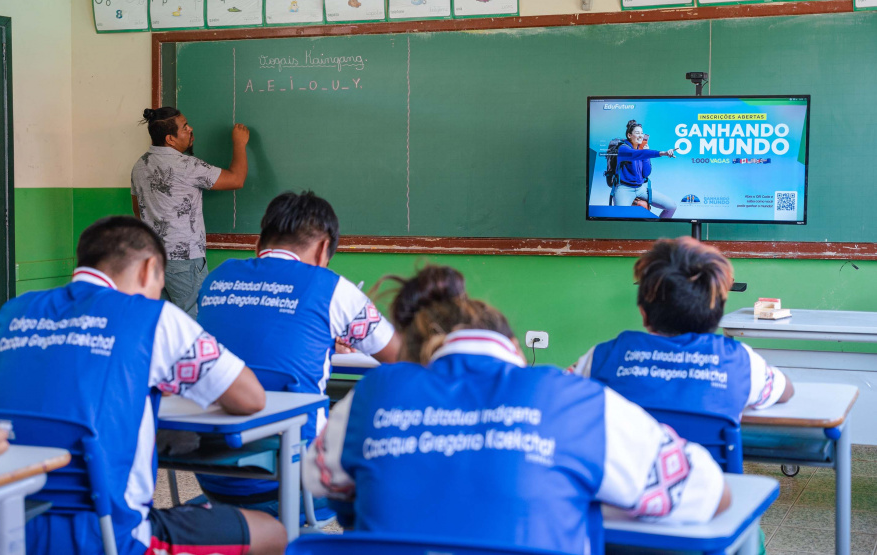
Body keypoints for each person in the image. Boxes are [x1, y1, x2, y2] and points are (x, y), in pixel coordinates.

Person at [303, 267, 730, 554]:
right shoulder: (571, 399)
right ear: (512, 346)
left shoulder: (375, 392)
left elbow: (316, 477)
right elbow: (708, 493)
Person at [0, 216, 285, 555]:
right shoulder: (152, 316)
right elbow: (250, 397)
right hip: (109, 536)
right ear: (149, 270)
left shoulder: (15, 312)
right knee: (272, 533)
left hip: (6, 528)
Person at [193, 190, 401, 512]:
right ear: (323, 249)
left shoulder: (215, 280)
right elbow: (402, 356)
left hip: (214, 478)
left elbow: (260, 335)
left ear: (259, 245)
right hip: (297, 484)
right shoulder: (330, 287)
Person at [573, 237, 794, 424]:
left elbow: (560, 396)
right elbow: (786, 391)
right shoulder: (743, 363)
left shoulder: (602, 358)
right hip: (711, 474)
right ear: (717, 315)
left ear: (643, 313)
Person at [131, 107, 250, 319]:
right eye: (185, 127)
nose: (190, 129)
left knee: (163, 323)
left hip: (152, 259)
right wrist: (239, 144)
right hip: (184, 261)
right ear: (170, 139)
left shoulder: (140, 166)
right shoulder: (186, 165)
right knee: (194, 322)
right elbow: (236, 179)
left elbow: (138, 210)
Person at [612, 119, 678, 218]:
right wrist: (663, 153)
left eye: (642, 133)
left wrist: (646, 155)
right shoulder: (623, 149)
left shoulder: (641, 150)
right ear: (629, 135)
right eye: (637, 133)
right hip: (624, 189)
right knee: (620, 218)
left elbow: (646, 173)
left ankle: (657, 231)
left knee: (671, 206)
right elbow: (635, 154)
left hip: (640, 188)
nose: (641, 136)